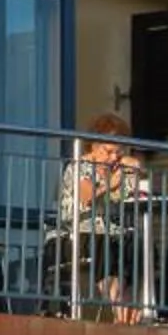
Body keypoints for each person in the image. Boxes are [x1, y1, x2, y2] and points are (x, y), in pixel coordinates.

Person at [61, 113, 153, 320]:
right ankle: (118, 307)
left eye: (119, 154)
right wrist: (109, 184)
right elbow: (85, 196)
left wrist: (134, 172)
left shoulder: (120, 169)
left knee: (138, 245)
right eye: (108, 151)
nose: (113, 158)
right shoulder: (80, 166)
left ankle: (132, 311)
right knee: (107, 245)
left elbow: (134, 198)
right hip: (79, 232)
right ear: (93, 146)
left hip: (112, 233)